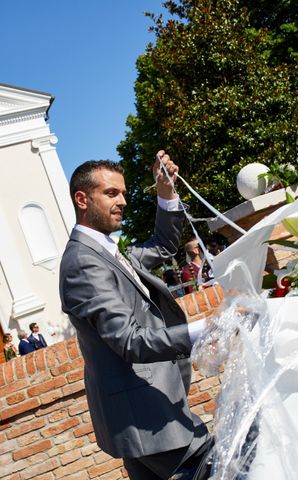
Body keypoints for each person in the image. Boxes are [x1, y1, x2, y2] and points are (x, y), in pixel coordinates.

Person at [59, 151, 210, 480]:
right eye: (111, 193)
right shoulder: (83, 263)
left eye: (124, 193)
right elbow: (128, 341)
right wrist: (207, 329)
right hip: (146, 418)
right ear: (82, 199)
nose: (123, 201)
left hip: (141, 421)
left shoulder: (105, 251)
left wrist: (165, 191)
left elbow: (163, 244)